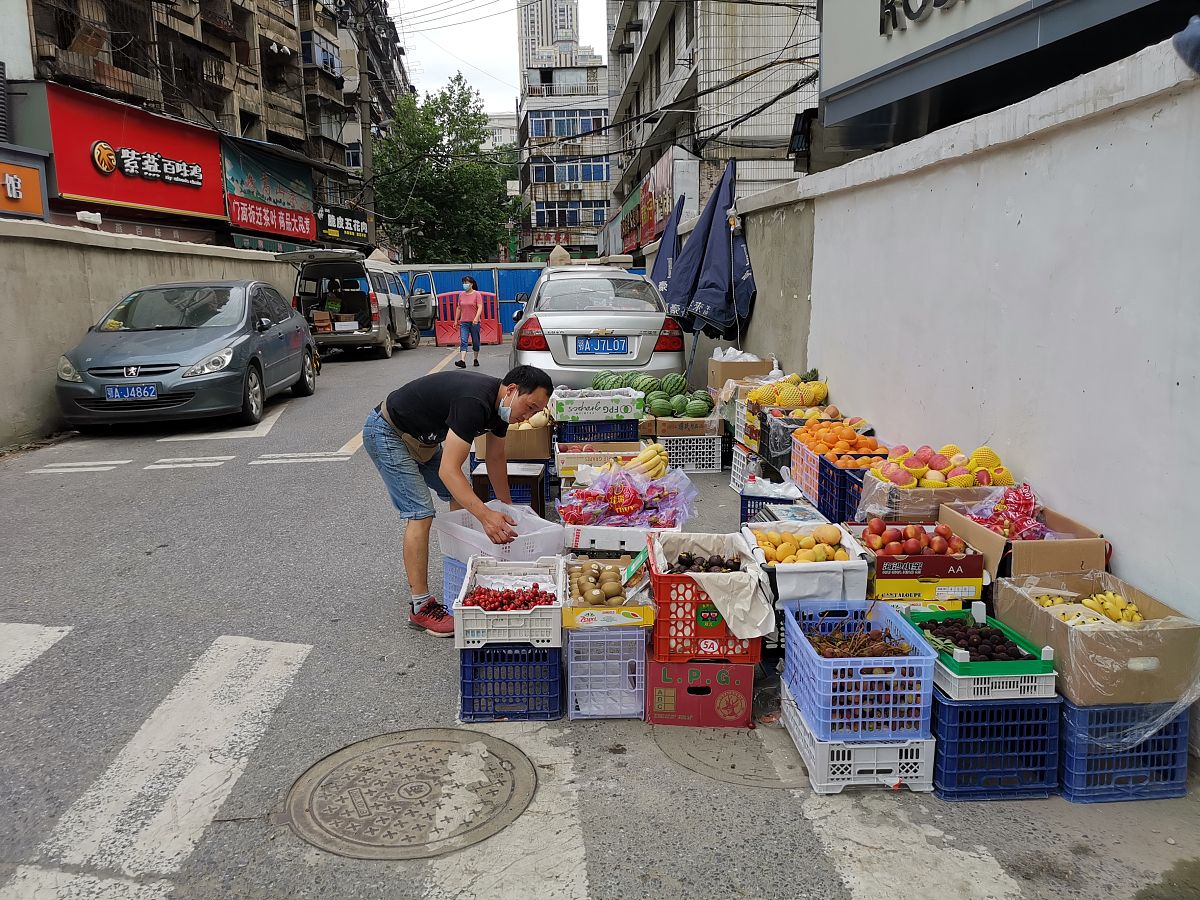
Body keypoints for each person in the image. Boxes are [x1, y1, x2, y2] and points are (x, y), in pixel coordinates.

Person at [363, 365, 554, 636]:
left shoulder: (502, 409)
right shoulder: (474, 402)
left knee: (459, 496)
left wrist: (507, 508)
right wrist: (486, 517)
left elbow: (495, 457)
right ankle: (420, 607)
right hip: (388, 433)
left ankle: (461, 573)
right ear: (512, 390)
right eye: (530, 406)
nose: (529, 415)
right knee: (420, 513)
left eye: (536, 412)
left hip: (423, 441)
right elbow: (449, 471)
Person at [453, 276, 483, 368]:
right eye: (464, 283)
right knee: (463, 341)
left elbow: (480, 307)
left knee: (476, 342)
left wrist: (476, 318)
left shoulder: (477, 294)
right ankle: (462, 361)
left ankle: (475, 359)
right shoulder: (461, 295)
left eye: (466, 283)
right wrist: (455, 320)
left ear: (471, 284)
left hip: (474, 322)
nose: (465, 285)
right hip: (464, 322)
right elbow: (459, 308)